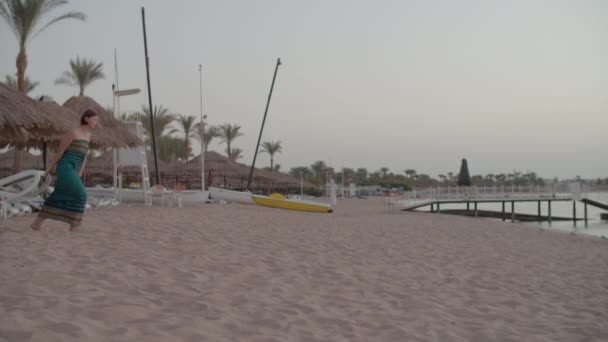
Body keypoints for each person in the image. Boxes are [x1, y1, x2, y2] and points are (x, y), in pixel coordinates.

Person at [31, 109, 99, 231]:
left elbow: (84, 157)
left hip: (74, 170)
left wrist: (80, 173)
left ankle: (37, 223)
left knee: (58, 194)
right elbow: (60, 152)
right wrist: (48, 170)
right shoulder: (73, 133)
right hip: (64, 167)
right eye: (94, 119)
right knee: (82, 194)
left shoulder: (89, 136)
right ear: (86, 119)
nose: (96, 122)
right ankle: (74, 225)